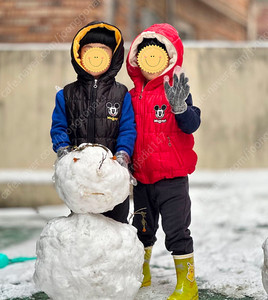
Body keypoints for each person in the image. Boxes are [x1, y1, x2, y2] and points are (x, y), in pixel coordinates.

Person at [126, 23, 201, 299]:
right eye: (146, 57)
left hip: (172, 179)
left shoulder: (175, 91)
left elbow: (192, 124)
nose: (151, 63)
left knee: (177, 230)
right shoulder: (131, 96)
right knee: (142, 229)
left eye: (158, 56)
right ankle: (141, 271)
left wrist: (181, 107)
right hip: (142, 178)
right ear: (136, 61)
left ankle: (187, 283)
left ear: (169, 59)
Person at [50, 21, 136, 224]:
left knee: (116, 225)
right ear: (78, 56)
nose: (95, 56)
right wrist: (64, 150)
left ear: (113, 57)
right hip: (80, 177)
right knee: (83, 226)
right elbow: (58, 127)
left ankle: (115, 256)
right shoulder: (67, 94)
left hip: (112, 175)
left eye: (103, 51)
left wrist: (123, 154)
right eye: (88, 50)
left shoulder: (122, 94)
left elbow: (128, 128)